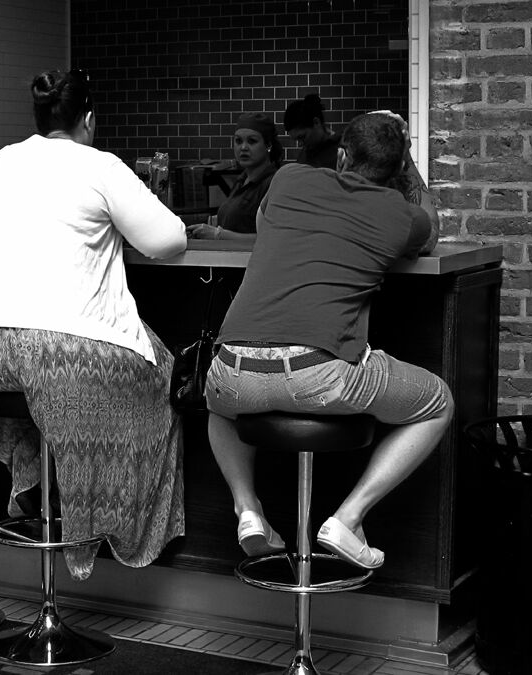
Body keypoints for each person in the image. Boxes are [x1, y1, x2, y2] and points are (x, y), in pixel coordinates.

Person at [0, 69, 188, 580]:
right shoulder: (99, 165)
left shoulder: (2, 160)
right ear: (90, 120)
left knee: (43, 402)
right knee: (166, 380)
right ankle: (106, 522)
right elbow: (169, 240)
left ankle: (36, 476)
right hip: (56, 355)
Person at [203, 112, 453, 569]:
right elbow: (432, 233)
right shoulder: (399, 215)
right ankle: (348, 518)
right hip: (316, 373)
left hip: (230, 369)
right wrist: (408, 163)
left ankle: (248, 509)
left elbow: (262, 221)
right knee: (437, 402)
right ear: (398, 168)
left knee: (219, 406)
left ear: (340, 156)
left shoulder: (289, 178)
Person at [187, 112, 281, 243]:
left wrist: (218, 235)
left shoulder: (274, 183)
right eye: (238, 141)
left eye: (252, 141)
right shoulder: (242, 180)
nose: (243, 147)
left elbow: (273, 238)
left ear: (268, 145)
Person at [284, 93, 341, 169]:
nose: (300, 144)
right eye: (297, 140)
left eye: (302, 137)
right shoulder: (306, 152)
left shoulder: (342, 151)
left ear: (316, 122)